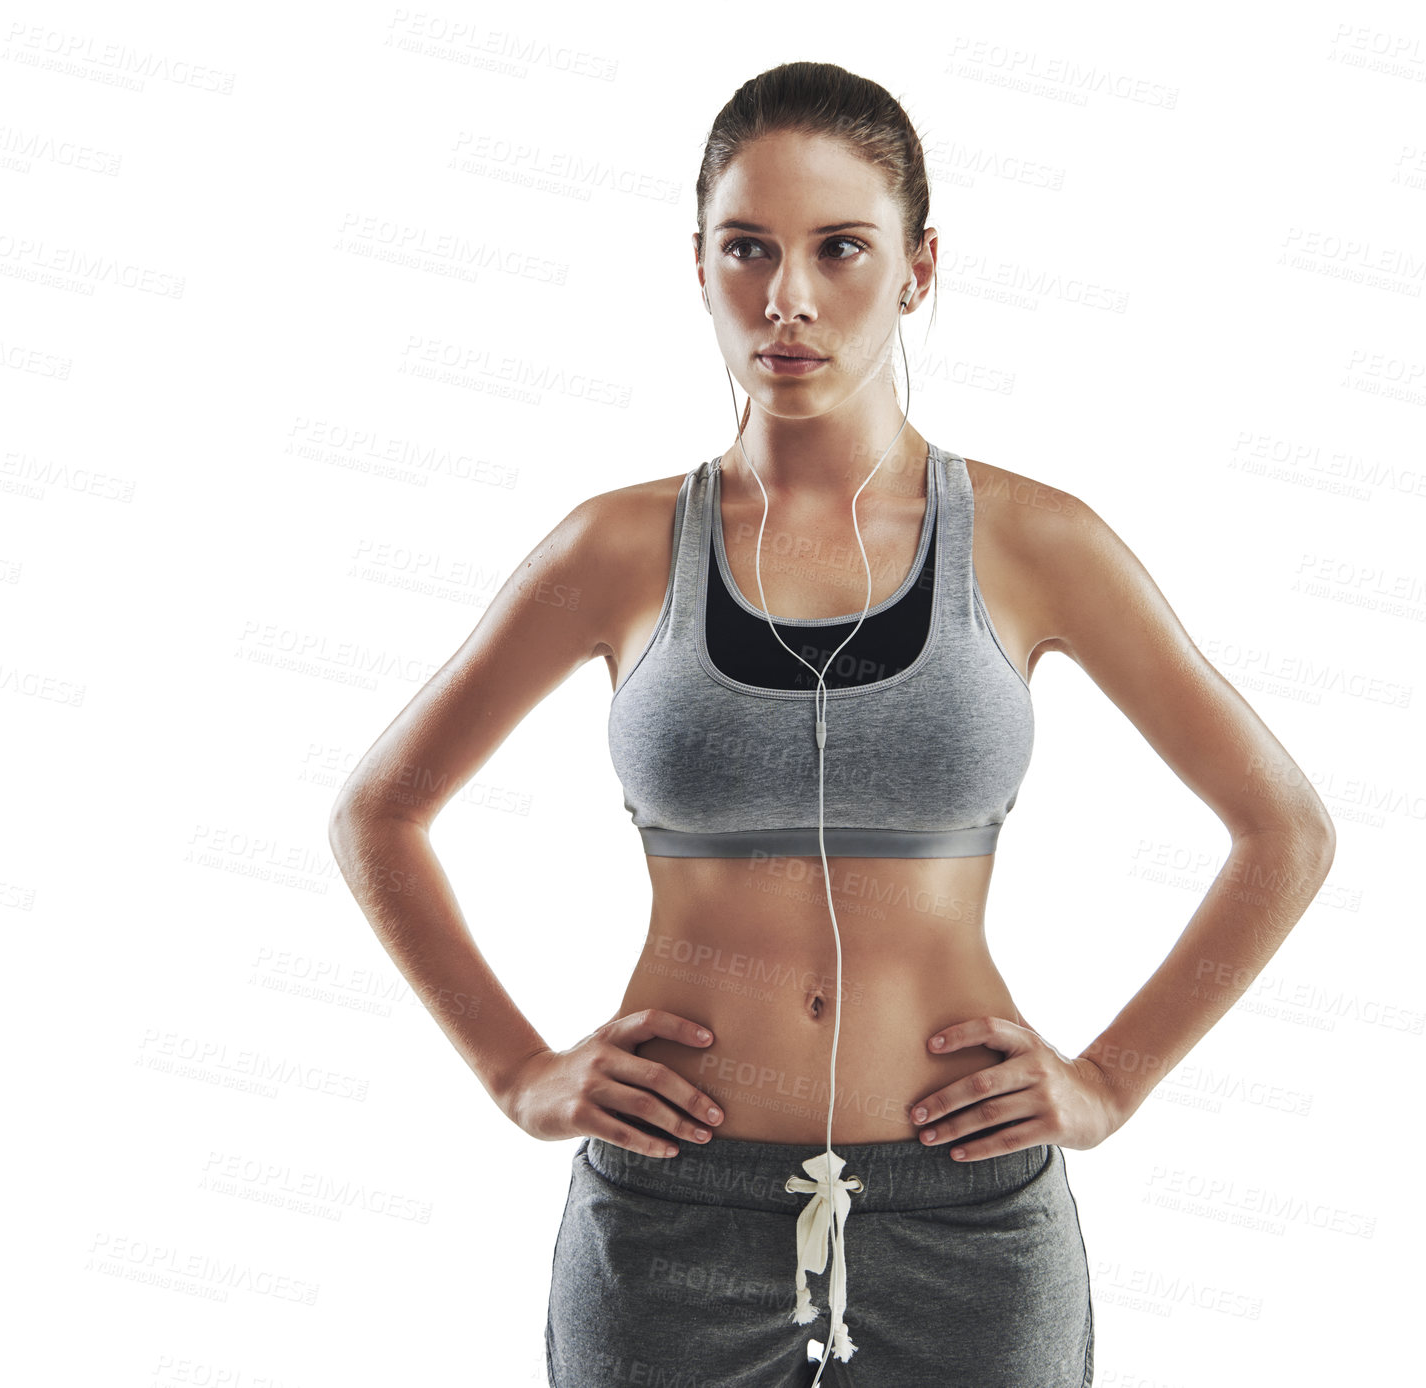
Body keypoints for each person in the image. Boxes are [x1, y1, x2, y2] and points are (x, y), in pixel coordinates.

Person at [328, 60, 1336, 1388]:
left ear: (918, 268)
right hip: (670, 1210)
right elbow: (378, 813)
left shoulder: (1036, 543)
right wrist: (517, 1071)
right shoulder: (619, 547)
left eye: (838, 250)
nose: (786, 299)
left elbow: (1285, 832)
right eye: (746, 249)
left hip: (970, 1215)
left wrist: (1111, 1081)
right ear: (696, 266)